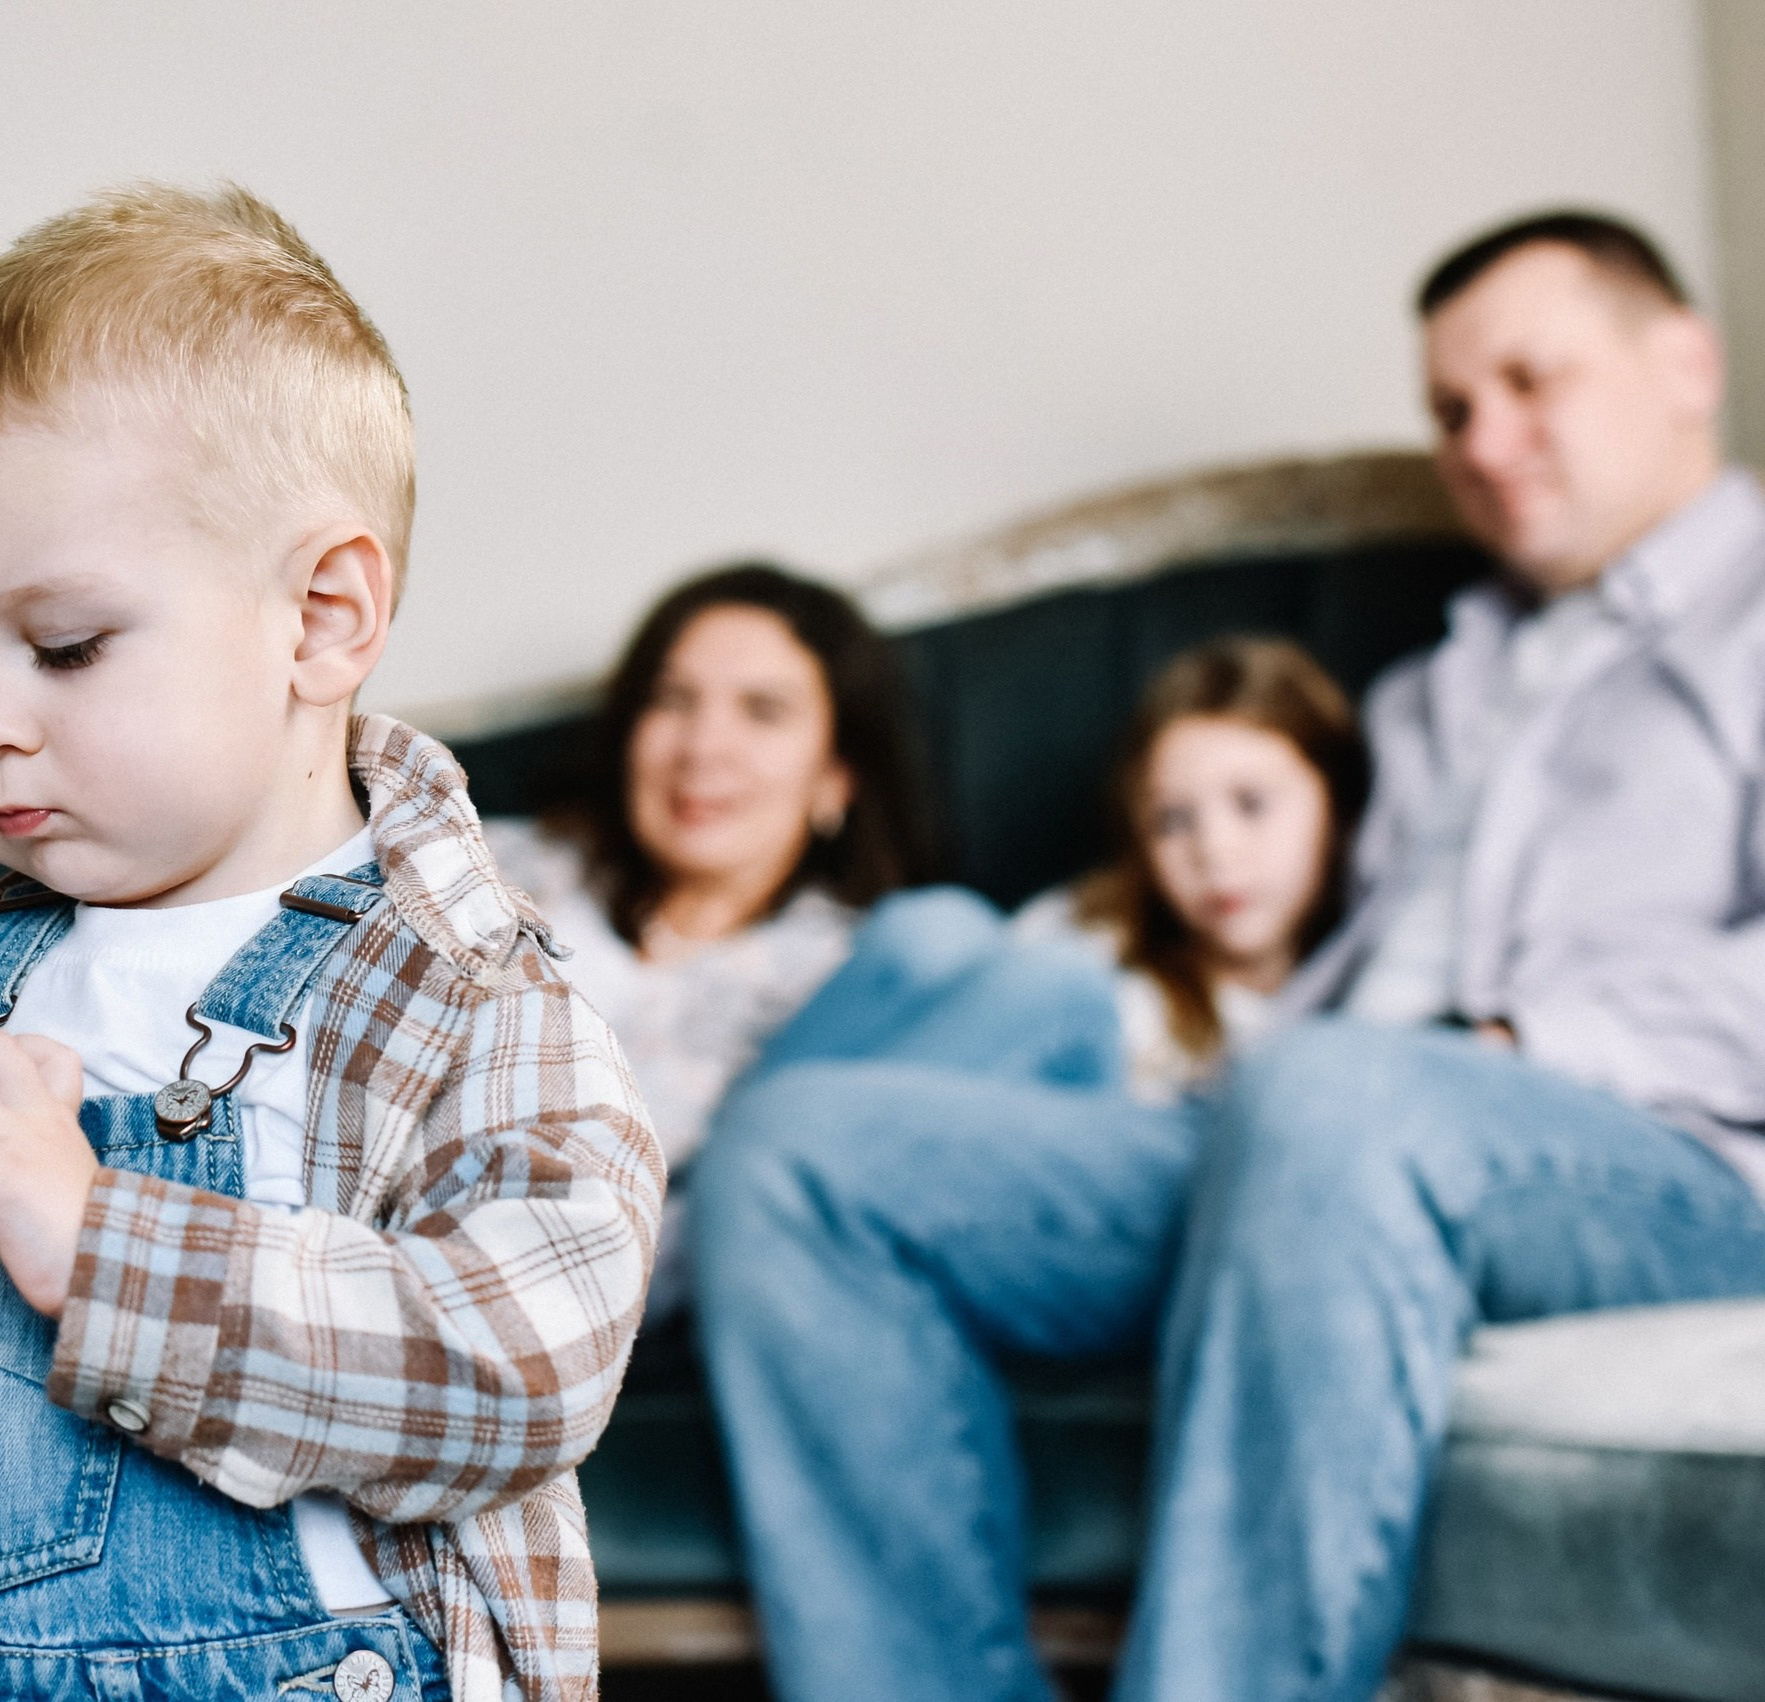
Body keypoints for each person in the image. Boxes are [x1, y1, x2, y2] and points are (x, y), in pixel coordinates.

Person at [695, 208, 1765, 1702]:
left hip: (1662, 1172)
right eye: (1453, 408)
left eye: (1533, 380)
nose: (1485, 437)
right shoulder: (1432, 692)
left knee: (1337, 1096)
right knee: (800, 1154)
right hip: (1307, 1135)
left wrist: (1511, 1052)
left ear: (1685, 363)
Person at [0, 185, 663, 1702]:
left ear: (321, 618)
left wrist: (98, 1244)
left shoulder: (464, 992)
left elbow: (524, 1370)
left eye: (64, 645)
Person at [484, 563, 935, 1314]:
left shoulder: (846, 982)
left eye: (762, 710)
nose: (702, 746)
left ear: (836, 778)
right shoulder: (484, 863)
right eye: (672, 700)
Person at [1013, 636, 1369, 1102]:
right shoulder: (1088, 947)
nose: (1215, 851)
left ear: (1337, 804)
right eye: (1172, 821)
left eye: (1251, 804)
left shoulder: (1366, 996)